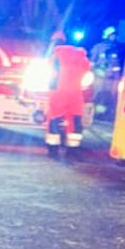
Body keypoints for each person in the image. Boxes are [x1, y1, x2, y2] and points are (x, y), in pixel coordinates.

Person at [43, 31, 94, 159]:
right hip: (76, 94)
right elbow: (87, 74)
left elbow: (52, 75)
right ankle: (72, 151)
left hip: (59, 93)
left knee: (54, 119)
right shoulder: (81, 56)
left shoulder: (56, 56)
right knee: (75, 121)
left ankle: (53, 150)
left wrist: (50, 89)